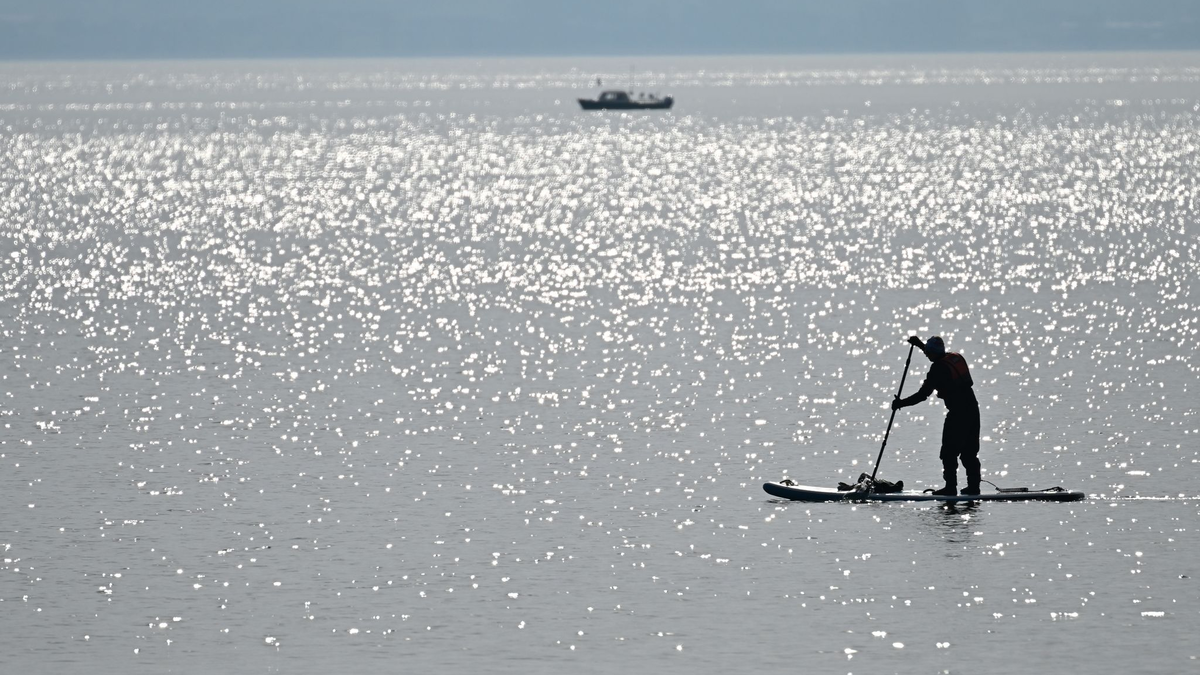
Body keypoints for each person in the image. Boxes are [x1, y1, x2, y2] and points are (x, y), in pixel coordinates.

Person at [890, 335, 981, 496]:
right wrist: (919, 344)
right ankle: (974, 487)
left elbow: (922, 395)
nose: (925, 354)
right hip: (973, 410)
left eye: (927, 352)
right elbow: (932, 353)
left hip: (958, 414)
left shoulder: (938, 369)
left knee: (948, 452)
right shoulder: (953, 357)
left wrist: (900, 403)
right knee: (969, 453)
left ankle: (950, 488)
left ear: (933, 352)